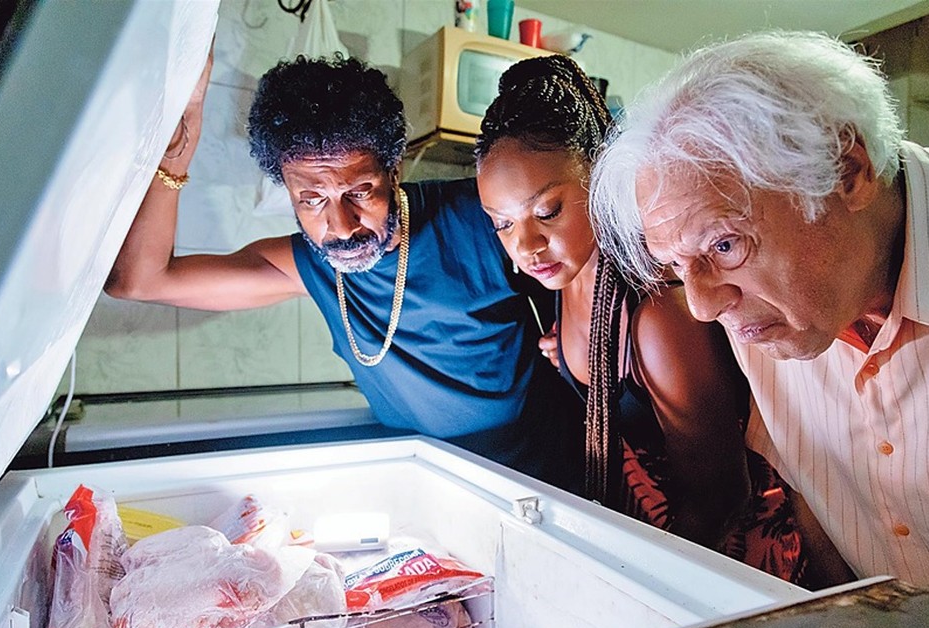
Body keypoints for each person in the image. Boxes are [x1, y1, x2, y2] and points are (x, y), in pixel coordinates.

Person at [589, 30, 929, 597]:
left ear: (848, 172)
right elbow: (817, 494)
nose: (702, 307)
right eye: (677, 265)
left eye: (725, 246)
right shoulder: (766, 310)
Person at [106, 51, 584, 492]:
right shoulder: (311, 263)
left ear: (393, 168)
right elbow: (140, 280)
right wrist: (176, 147)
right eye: (311, 200)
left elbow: (588, 257)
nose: (340, 227)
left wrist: (576, 329)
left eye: (359, 192)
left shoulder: (481, 218)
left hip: (545, 485)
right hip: (432, 488)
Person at [475, 54, 819, 585]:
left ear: (602, 180)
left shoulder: (659, 316)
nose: (525, 245)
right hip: (650, 536)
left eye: (547, 212)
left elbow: (720, 498)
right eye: (502, 224)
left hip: (732, 567)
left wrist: (624, 583)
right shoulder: (563, 285)